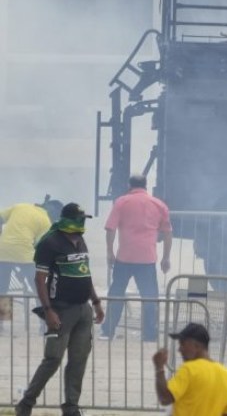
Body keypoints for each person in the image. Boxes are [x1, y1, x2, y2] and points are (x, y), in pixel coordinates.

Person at [15, 203, 105, 416]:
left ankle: (71, 406)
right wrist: (48, 311)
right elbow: (39, 279)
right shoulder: (49, 242)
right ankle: (26, 403)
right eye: (79, 219)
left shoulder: (80, 241)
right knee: (53, 359)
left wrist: (96, 302)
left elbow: (85, 273)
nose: (82, 224)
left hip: (83, 309)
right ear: (68, 220)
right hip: (61, 309)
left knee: (79, 359)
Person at [102, 173, 173, 342]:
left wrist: (109, 252)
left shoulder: (121, 202)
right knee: (149, 296)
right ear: (146, 185)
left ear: (129, 185)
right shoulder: (159, 205)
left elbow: (110, 229)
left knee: (116, 293)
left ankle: (108, 330)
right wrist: (166, 258)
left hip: (124, 257)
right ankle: (149, 334)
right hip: (147, 258)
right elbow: (168, 233)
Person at [152, 322, 227, 416]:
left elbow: (165, 399)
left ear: (197, 346)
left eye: (182, 344)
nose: (179, 349)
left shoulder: (189, 370)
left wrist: (159, 368)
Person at [0, 199, 60, 294]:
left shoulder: (20, 206)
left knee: (2, 289)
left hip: (2, 252)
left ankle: (2, 306)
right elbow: (41, 247)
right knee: (38, 288)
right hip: (24, 256)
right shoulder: (46, 221)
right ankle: (42, 307)